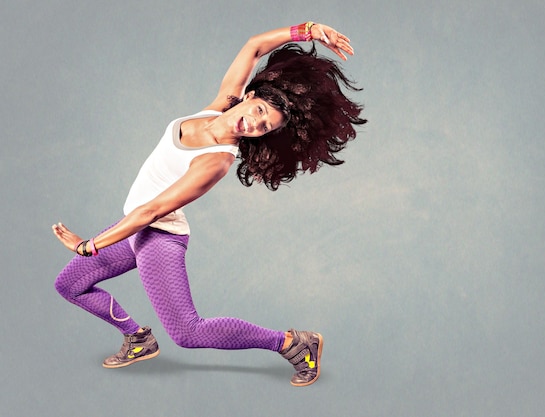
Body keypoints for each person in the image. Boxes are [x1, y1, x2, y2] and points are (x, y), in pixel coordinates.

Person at [52, 21, 366, 387]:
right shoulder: (221, 106)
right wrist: (308, 30)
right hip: (135, 227)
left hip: (157, 236)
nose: (254, 124)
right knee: (69, 285)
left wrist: (88, 245)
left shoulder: (216, 161)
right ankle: (138, 338)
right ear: (251, 97)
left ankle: (294, 344)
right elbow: (253, 46)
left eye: (264, 128)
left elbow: (151, 211)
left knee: (188, 332)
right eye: (261, 112)